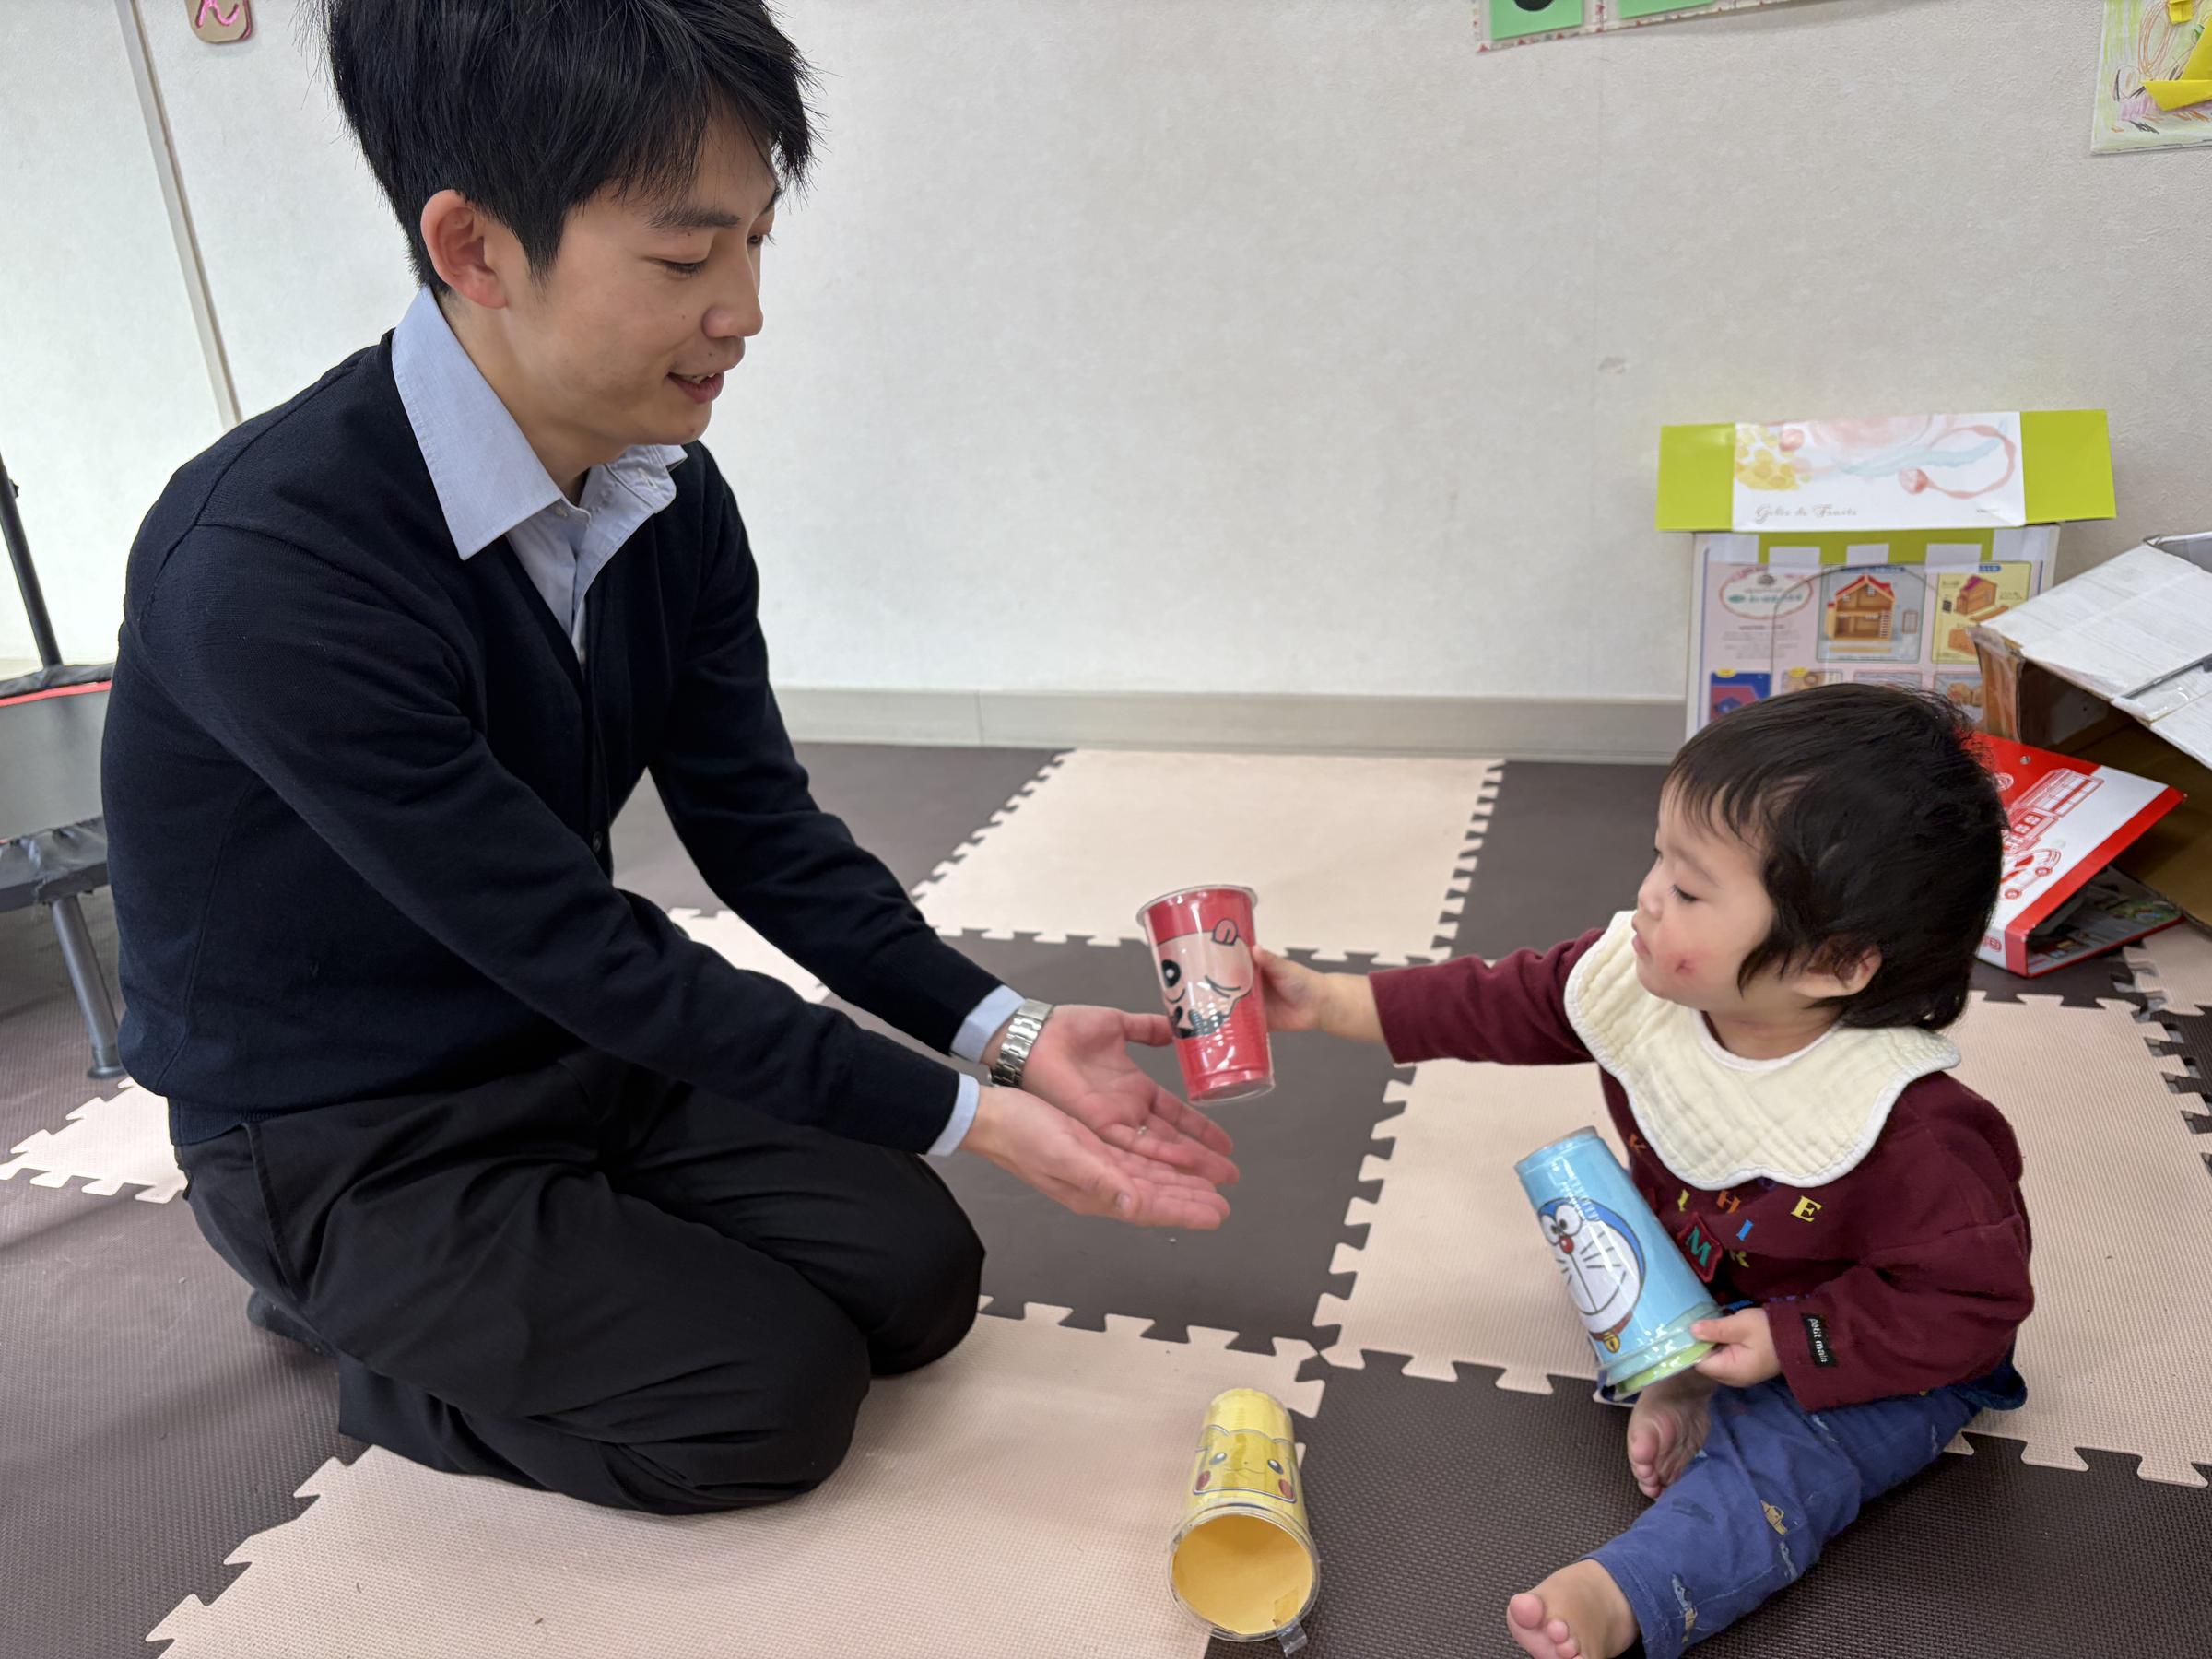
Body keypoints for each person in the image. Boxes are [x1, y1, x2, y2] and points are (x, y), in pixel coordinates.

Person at [100, 0, 1236, 1517]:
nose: (747, 308)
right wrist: (972, 1118)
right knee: (763, 1408)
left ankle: (537, 1266)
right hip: (336, 1130)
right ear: (476, 247)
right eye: (689, 257)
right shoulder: (267, 565)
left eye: (759, 242)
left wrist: (1005, 1035)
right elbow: (573, 940)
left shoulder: (662, 497)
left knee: (919, 1278)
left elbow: (763, 834)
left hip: (565, 1049)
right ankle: (353, 1325)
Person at [1255, 683, 2032, 1658]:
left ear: (1833, 963)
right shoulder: (1653, 979)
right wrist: (1331, 1002)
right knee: (1584, 1221)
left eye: (1692, 889)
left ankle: (1634, 1587)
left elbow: (1973, 1309)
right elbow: (1510, 1001)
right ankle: (1678, 1381)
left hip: (1875, 1347)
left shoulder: (1912, 1130)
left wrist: (1793, 1343)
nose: (1648, 898)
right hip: (1709, 1275)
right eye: (1659, 858)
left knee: (1788, 1463)